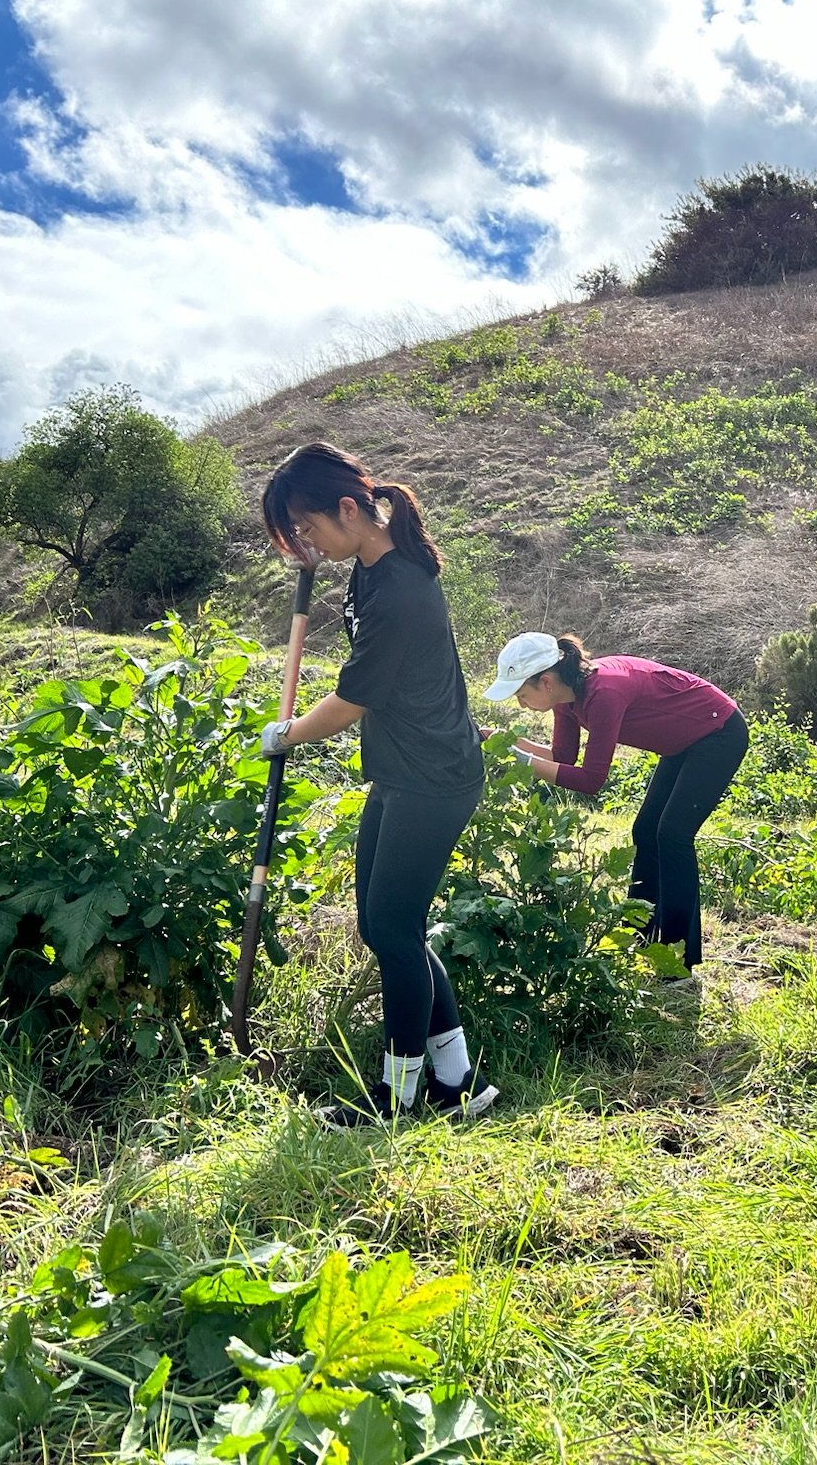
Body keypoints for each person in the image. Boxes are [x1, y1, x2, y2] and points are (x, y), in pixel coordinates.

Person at [258, 441, 498, 1128]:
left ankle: (395, 1100)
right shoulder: (369, 567)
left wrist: (288, 733)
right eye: (296, 537)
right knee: (388, 929)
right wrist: (313, 562)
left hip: (436, 777)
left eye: (307, 529)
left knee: (392, 933)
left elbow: (354, 698)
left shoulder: (401, 589)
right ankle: (456, 1085)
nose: (306, 542)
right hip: (402, 769)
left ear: (347, 508)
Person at [483, 633, 748, 974]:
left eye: (522, 695)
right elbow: (562, 757)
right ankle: (640, 936)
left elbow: (591, 780)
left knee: (672, 835)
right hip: (685, 742)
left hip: (718, 733)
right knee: (646, 831)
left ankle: (679, 961)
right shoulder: (566, 698)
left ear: (545, 682)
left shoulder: (604, 693)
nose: (521, 704)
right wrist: (499, 740)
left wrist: (519, 759)